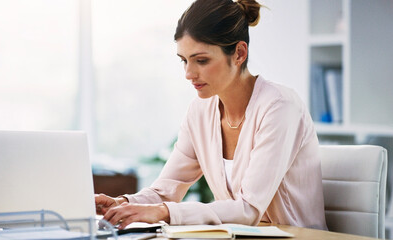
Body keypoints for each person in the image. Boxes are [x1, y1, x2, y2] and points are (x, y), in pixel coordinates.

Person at [95, 0, 327, 230]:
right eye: (184, 61)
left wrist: (165, 212)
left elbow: (248, 209)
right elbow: (166, 190)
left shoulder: (280, 107)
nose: (188, 73)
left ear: (239, 53)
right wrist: (123, 203)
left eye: (201, 60)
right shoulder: (200, 112)